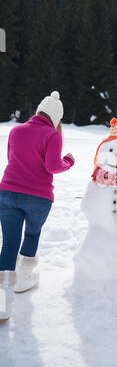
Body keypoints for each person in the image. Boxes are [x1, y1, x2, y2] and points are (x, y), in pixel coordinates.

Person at [0, 91, 75, 321]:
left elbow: (11, 158)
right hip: (38, 198)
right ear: (56, 117)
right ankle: (24, 280)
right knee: (31, 234)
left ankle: (2, 303)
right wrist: (69, 162)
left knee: (9, 243)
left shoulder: (15, 130)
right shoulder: (52, 135)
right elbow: (53, 166)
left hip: (7, 193)